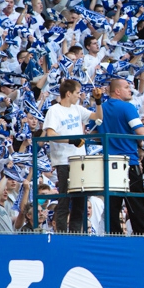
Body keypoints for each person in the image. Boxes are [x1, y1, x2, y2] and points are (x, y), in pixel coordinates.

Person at [42, 79, 103, 233]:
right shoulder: (54, 110)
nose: (79, 95)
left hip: (79, 161)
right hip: (64, 160)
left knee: (80, 201)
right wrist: (71, 140)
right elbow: (50, 133)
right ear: (68, 93)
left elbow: (97, 116)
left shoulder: (77, 109)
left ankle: (76, 234)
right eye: (77, 93)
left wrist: (98, 101)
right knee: (64, 199)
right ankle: (62, 233)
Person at [99, 78, 144, 235]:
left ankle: (113, 236)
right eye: (127, 87)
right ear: (117, 91)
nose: (131, 90)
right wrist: (141, 145)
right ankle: (142, 235)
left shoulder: (101, 108)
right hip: (128, 161)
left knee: (112, 203)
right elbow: (141, 133)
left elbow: (92, 131)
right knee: (136, 202)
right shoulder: (127, 107)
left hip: (108, 162)